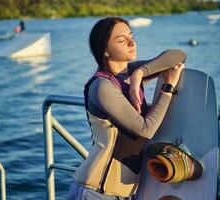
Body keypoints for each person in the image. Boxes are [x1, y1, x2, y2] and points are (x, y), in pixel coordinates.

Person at [68, 17, 186, 200]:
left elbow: (178, 55)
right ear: (105, 51)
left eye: (131, 36)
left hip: (123, 193)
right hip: (97, 192)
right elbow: (145, 129)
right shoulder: (102, 86)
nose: (132, 42)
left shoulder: (130, 73)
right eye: (121, 40)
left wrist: (140, 74)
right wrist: (167, 88)